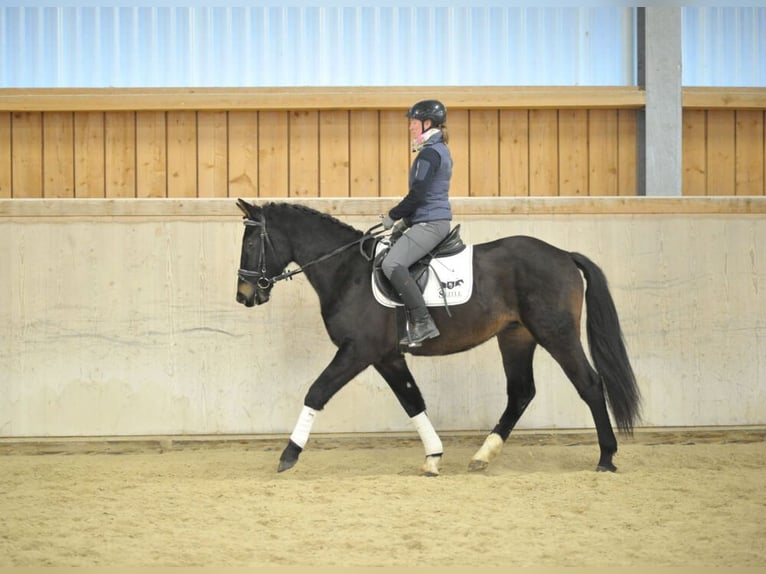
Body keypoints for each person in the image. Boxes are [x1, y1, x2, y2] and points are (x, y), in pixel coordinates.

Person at [380, 99, 453, 347]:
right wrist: (407, 222)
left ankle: (423, 322)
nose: (410, 127)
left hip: (432, 223)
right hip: (426, 219)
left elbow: (418, 194)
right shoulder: (435, 150)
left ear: (427, 123)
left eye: (413, 122)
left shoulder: (430, 153)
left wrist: (393, 216)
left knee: (392, 263)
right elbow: (425, 195)